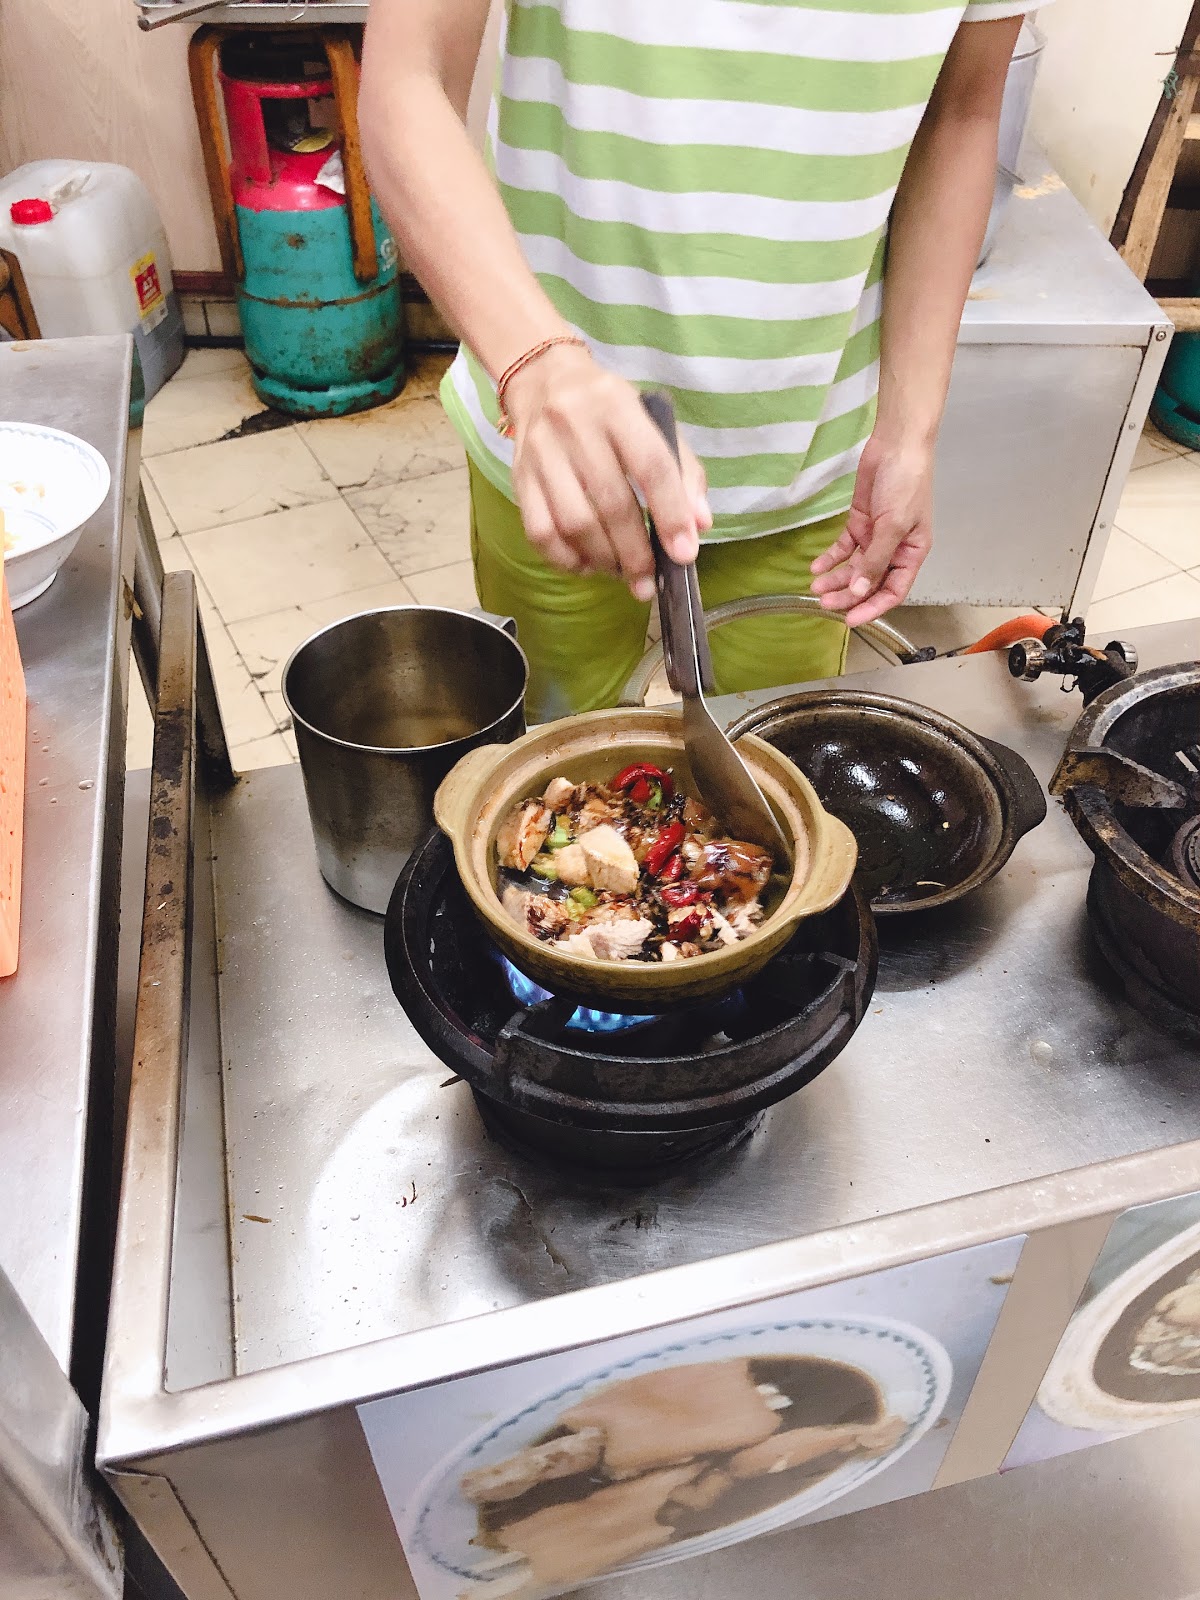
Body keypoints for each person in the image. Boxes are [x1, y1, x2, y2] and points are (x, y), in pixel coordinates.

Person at [361, 0, 1038, 720]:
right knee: (549, 745)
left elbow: (961, 114)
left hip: (809, 450)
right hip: (556, 444)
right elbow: (408, 74)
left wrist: (910, 431)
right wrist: (535, 362)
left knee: (775, 762)